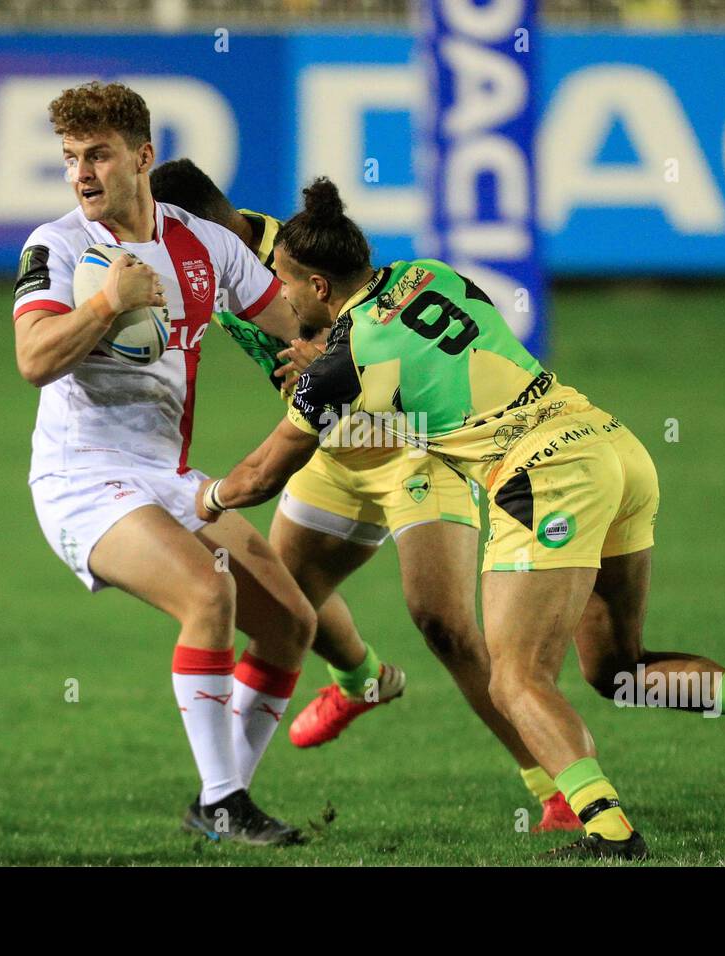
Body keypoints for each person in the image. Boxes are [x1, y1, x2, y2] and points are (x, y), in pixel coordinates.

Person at [194, 178, 725, 859]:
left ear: (316, 285)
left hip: (541, 477)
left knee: (514, 679)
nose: (273, 293)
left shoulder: (341, 365)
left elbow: (260, 476)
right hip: (611, 447)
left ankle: (607, 831)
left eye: (282, 281)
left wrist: (202, 500)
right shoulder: (429, 273)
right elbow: (426, 355)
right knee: (616, 671)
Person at [149, 159, 580, 832]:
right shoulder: (201, 267)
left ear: (187, 220)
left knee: (443, 623)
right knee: (278, 610)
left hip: (409, 443)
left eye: (156, 229)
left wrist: (319, 357)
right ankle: (254, 777)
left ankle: (555, 788)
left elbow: (370, 320)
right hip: (327, 451)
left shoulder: (292, 256)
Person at [12, 83, 318, 846]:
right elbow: (33, 361)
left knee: (289, 625)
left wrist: (322, 354)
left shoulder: (205, 247)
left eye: (99, 155)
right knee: (205, 594)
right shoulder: (54, 247)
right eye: (71, 158)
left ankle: (224, 798)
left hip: (165, 475)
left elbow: (295, 327)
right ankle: (223, 802)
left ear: (143, 157)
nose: (83, 173)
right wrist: (104, 304)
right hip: (80, 477)